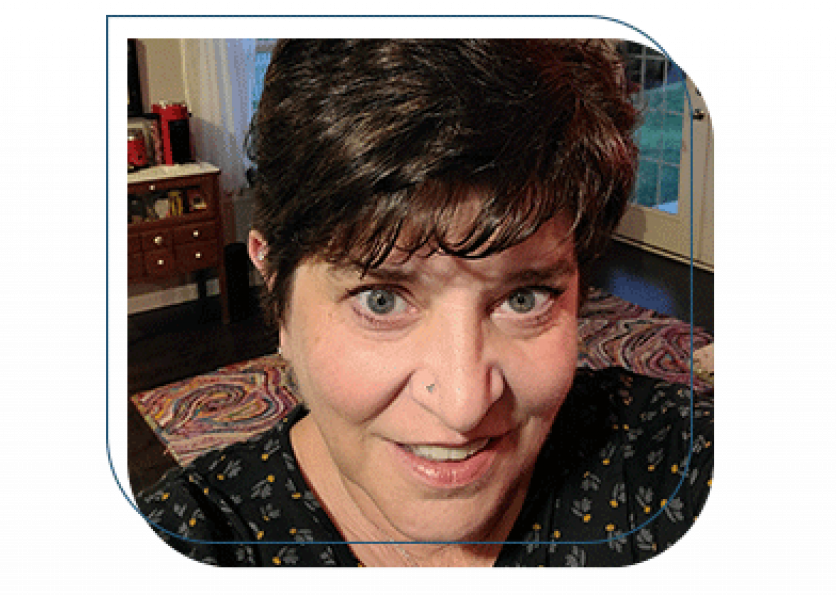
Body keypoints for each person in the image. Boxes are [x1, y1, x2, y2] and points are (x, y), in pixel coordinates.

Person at [135, 38, 713, 567]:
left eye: (524, 297)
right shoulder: (192, 538)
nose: (463, 407)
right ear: (276, 291)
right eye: (382, 300)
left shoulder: (666, 460)